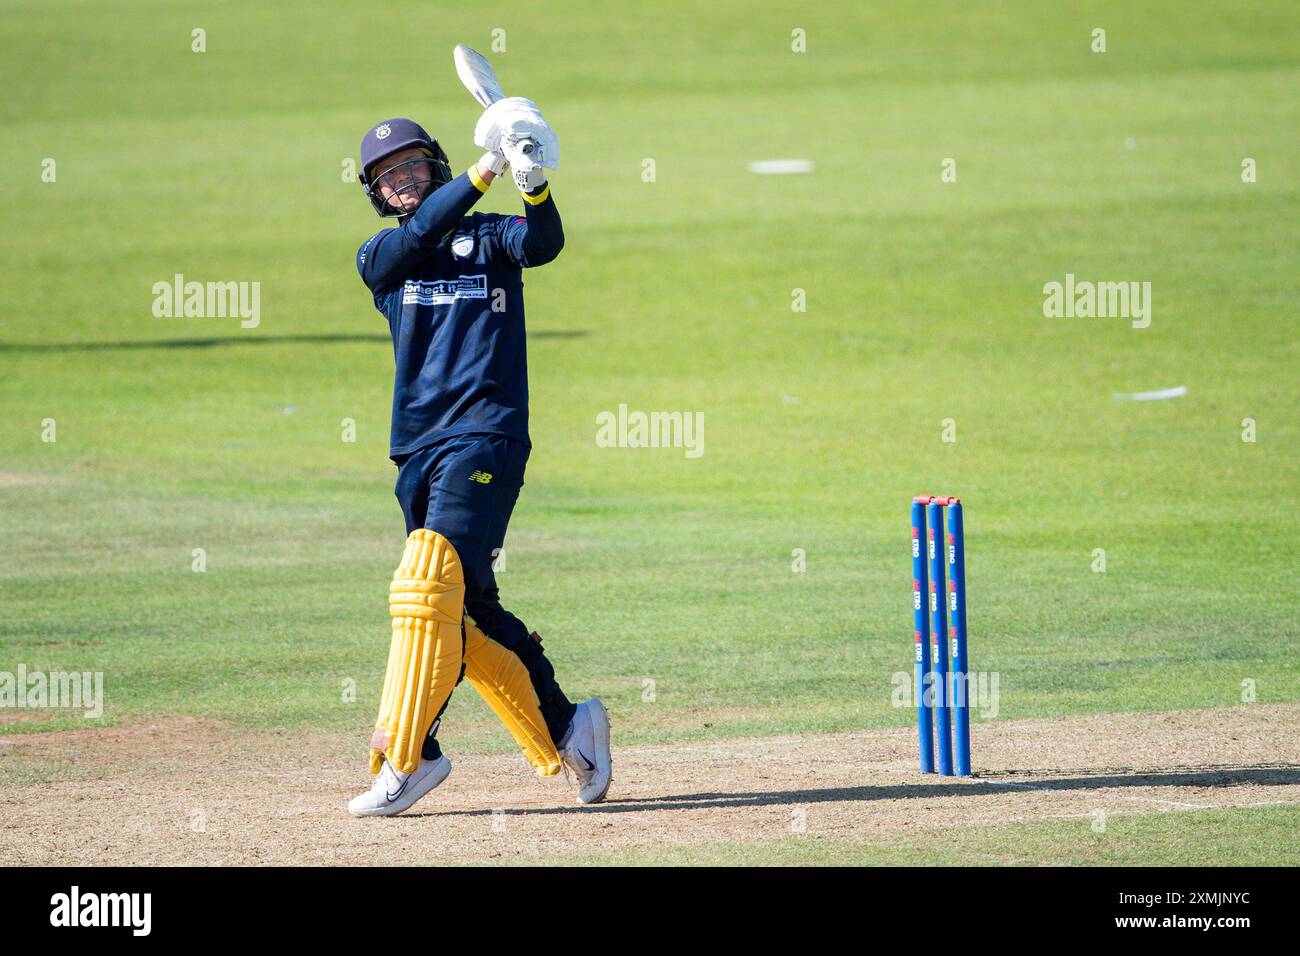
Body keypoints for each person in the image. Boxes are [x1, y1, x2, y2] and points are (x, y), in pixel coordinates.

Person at [345, 102, 611, 817]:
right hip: (416, 450)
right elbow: (425, 229)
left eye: (410, 166)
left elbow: (545, 244)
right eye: (386, 176)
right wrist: (488, 165)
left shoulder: (490, 237)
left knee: (427, 582)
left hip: (486, 436)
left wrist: (533, 182)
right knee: (465, 610)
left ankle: (411, 754)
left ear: (432, 163)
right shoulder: (381, 258)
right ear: (375, 193)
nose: (401, 181)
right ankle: (568, 727)